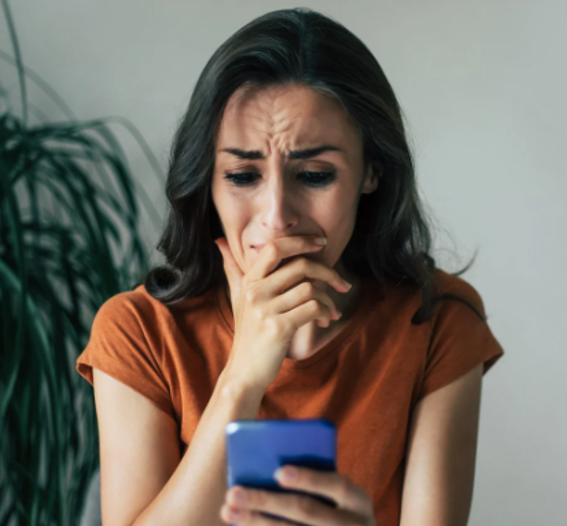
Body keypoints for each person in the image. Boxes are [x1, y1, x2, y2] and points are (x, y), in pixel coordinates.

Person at [75, 7, 504, 526]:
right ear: (207, 180)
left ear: (371, 172)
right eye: (242, 175)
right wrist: (244, 374)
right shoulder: (138, 331)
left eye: (316, 175)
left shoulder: (436, 322)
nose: (277, 217)